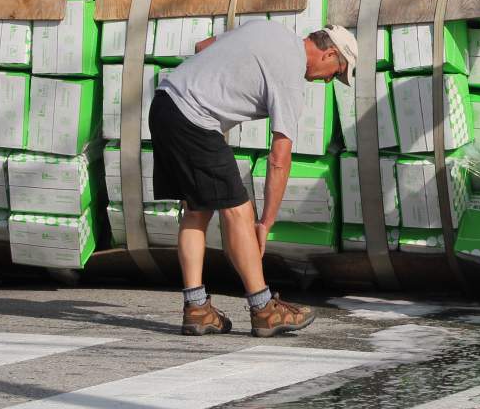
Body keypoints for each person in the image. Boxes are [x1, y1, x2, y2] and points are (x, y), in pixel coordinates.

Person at [152, 21, 358, 337]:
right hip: (195, 119)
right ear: (329, 53)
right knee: (239, 210)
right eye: (336, 73)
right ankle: (263, 310)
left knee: (197, 209)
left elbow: (203, 47)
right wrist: (266, 223)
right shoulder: (290, 78)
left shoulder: (270, 29)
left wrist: (220, 91)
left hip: (166, 102)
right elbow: (279, 160)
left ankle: (197, 308)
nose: (329, 80)